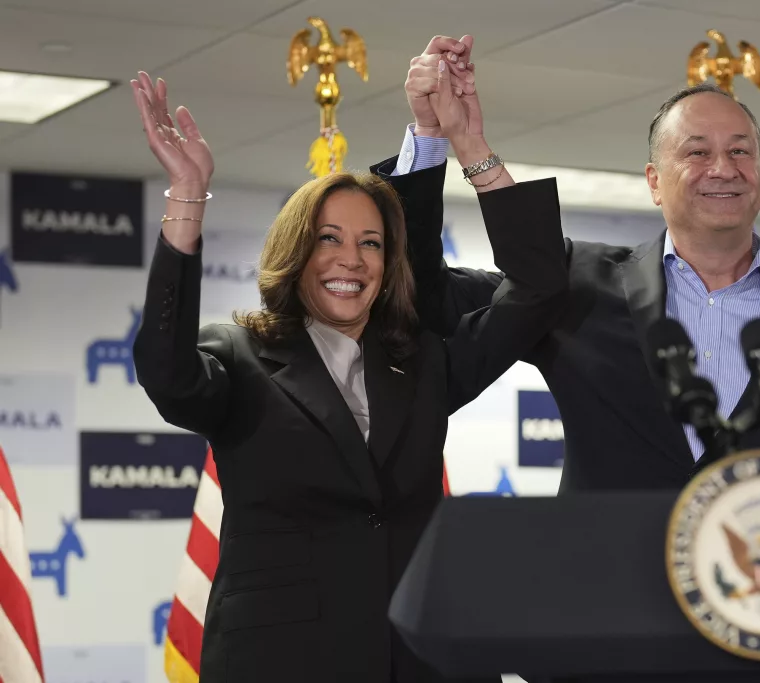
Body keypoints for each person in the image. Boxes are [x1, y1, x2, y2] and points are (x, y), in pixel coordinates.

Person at [130, 52, 567, 683]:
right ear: (295, 252)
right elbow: (166, 375)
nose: (351, 259)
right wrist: (188, 197)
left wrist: (469, 145)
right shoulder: (239, 356)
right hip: (283, 662)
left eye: (371, 243)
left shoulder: (425, 361)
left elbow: (539, 291)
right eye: (328, 239)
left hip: (422, 659)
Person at [375, 36, 760, 493]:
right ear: (653, 181)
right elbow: (426, 295)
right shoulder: (573, 285)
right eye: (696, 152)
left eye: (741, 152)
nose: (723, 167)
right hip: (606, 595)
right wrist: (438, 140)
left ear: (759, 171)